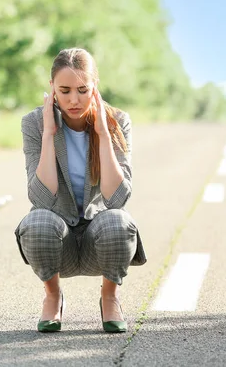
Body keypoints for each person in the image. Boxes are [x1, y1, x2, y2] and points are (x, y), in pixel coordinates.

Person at [14, 48, 147, 333]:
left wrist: (102, 134)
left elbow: (117, 198)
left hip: (97, 241)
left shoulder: (117, 121)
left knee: (119, 223)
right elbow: (40, 198)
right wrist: (49, 133)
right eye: (64, 91)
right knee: (36, 222)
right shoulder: (33, 123)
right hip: (57, 239)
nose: (74, 100)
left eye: (83, 90)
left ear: (95, 86)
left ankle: (110, 296)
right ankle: (52, 296)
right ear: (51, 88)